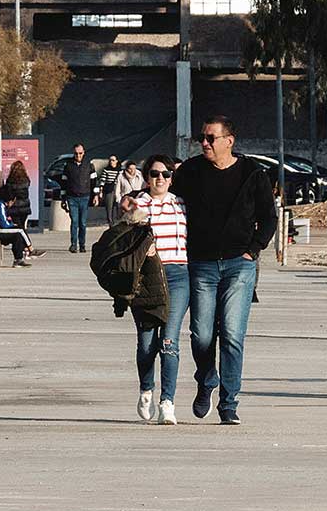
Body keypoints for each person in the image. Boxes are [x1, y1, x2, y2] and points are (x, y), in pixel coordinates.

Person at [169, 115, 276, 424]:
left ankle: (229, 404)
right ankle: (206, 379)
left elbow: (269, 218)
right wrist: (134, 200)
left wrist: (252, 250)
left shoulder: (252, 174)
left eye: (210, 138)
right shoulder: (190, 171)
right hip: (200, 264)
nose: (204, 142)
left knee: (232, 335)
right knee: (201, 335)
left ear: (229, 141)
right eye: (202, 137)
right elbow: (167, 200)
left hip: (239, 266)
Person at [124, 155, 190, 424]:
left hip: (179, 276)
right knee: (147, 343)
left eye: (166, 174)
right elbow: (125, 240)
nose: (160, 179)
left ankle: (168, 402)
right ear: (146, 177)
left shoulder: (182, 204)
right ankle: (146, 388)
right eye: (154, 174)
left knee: (169, 340)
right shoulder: (139, 205)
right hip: (148, 277)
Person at [57, 143, 94, 252]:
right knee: (74, 222)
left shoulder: (89, 165)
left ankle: (82, 244)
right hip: (71, 197)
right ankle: (73, 244)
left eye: (80, 153)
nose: (78, 155)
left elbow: (93, 181)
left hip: (85, 197)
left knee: (82, 222)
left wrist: (95, 196)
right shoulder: (68, 165)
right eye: (76, 153)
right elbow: (63, 182)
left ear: (84, 153)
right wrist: (63, 198)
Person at [0, 199, 39, 267]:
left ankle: (18, 260)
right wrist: (13, 226)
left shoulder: (3, 207)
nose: (13, 204)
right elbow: (4, 224)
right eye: (13, 202)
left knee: (18, 235)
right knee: (20, 230)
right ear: (10, 200)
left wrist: (12, 225)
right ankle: (30, 249)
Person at [1, 159, 32, 229]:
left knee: (17, 226)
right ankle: (24, 239)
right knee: (22, 226)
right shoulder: (26, 180)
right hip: (24, 206)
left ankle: (20, 239)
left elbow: (9, 193)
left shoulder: (10, 180)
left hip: (14, 207)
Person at [111, 158, 144, 222]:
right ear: (126, 169)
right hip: (125, 202)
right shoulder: (121, 176)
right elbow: (117, 190)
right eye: (130, 169)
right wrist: (119, 201)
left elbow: (143, 187)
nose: (132, 171)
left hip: (136, 202)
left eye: (134, 169)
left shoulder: (139, 175)